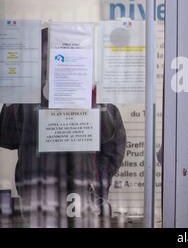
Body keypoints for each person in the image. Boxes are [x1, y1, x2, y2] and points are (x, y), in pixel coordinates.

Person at [0, 28, 126, 227]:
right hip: (37, 196)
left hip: (82, 195)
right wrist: (11, 97)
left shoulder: (91, 91)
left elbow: (112, 142)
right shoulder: (27, 95)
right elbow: (7, 139)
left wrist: (97, 182)